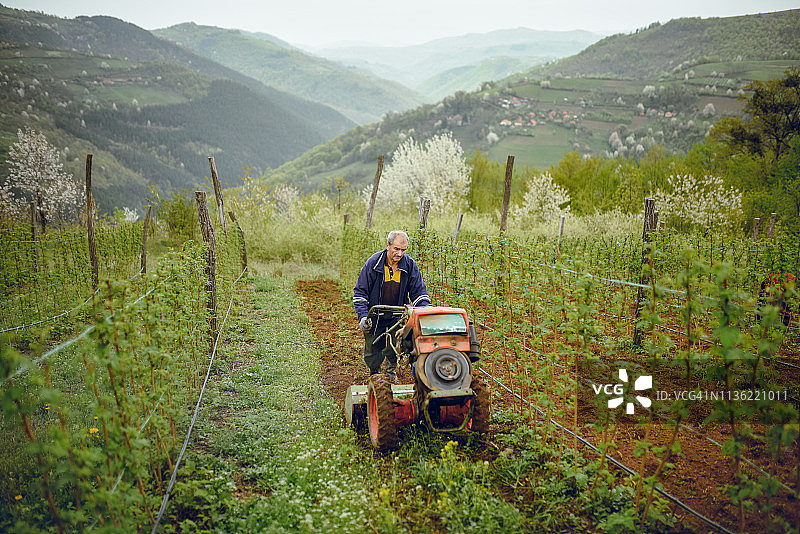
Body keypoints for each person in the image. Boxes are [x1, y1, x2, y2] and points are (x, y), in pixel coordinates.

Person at [353, 230, 430, 383]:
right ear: (387, 245)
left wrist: (425, 311)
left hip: (397, 315)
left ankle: (390, 371)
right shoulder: (373, 264)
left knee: (396, 345)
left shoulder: (409, 265)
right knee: (373, 348)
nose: (400, 253)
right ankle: (375, 372)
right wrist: (363, 316)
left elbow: (419, 292)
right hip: (375, 315)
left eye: (403, 250)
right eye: (396, 249)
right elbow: (360, 293)